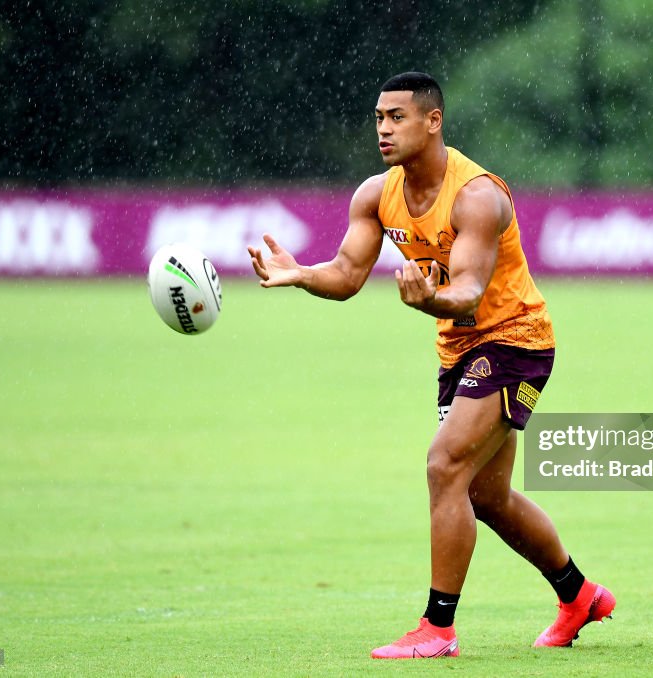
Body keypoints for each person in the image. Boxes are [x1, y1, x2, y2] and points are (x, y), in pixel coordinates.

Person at [248, 71, 614, 659]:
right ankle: (580, 596)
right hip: (460, 351)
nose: (384, 129)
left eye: (397, 117)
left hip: (516, 341)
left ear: (433, 120)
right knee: (486, 496)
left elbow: (468, 289)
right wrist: (301, 275)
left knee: (444, 465)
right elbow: (345, 275)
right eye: (378, 118)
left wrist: (432, 300)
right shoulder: (376, 194)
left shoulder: (478, 196)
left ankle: (437, 629)